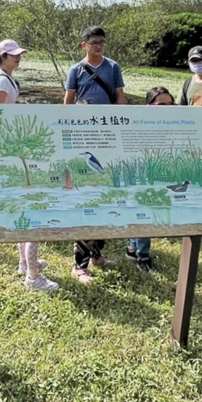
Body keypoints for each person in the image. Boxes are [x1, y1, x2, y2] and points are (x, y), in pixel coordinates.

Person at [0, 39, 59, 291]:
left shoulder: (5, 77)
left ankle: (24, 262)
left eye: (19, 55)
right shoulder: (1, 79)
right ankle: (33, 276)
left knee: (22, 211)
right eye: (13, 55)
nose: (18, 58)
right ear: (2, 57)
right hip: (13, 152)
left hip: (13, 151)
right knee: (33, 213)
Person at [64, 26, 125, 283]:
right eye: (94, 42)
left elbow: (120, 99)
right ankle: (80, 264)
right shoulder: (75, 70)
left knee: (108, 195)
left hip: (109, 138)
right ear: (84, 45)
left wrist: (122, 128)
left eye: (102, 42)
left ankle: (97, 252)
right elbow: (67, 103)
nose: (98, 46)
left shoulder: (113, 68)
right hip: (83, 140)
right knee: (87, 196)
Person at [126, 87, 175, 272]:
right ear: (149, 105)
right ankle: (143, 257)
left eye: (171, 104)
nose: (167, 108)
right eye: (161, 104)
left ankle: (133, 247)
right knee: (145, 209)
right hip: (144, 173)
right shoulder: (140, 125)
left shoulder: (175, 125)